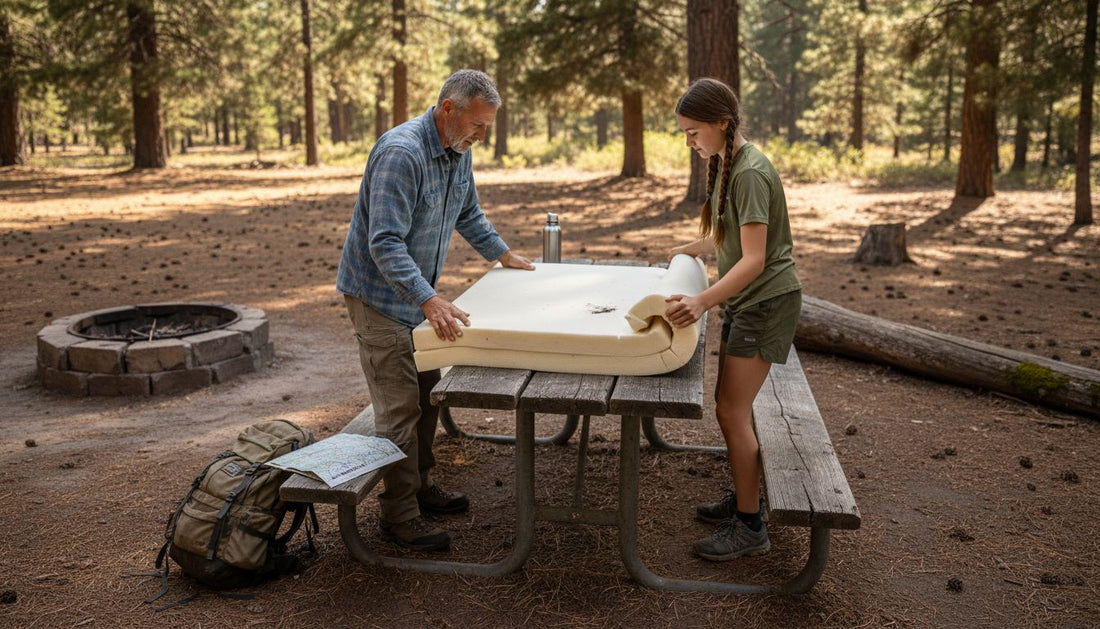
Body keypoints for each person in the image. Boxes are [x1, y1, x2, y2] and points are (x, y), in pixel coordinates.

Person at [336, 69, 534, 552]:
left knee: (428, 396)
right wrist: (427, 298)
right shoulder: (401, 154)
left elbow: (468, 212)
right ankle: (399, 517)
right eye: (478, 124)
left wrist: (502, 254)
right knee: (399, 410)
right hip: (379, 298)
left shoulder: (457, 148)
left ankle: (421, 486)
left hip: (415, 296)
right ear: (448, 109)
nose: (482, 136)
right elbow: (384, 242)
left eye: (487, 126)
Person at [664, 78, 802, 561]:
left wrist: (702, 302)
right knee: (729, 407)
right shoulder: (729, 161)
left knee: (730, 411)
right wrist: (685, 250)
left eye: (693, 131)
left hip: (765, 304)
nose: (689, 141)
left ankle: (750, 526)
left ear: (722, 123)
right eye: (684, 132)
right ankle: (746, 497)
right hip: (747, 303)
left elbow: (755, 259)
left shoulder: (750, 173)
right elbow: (729, 237)